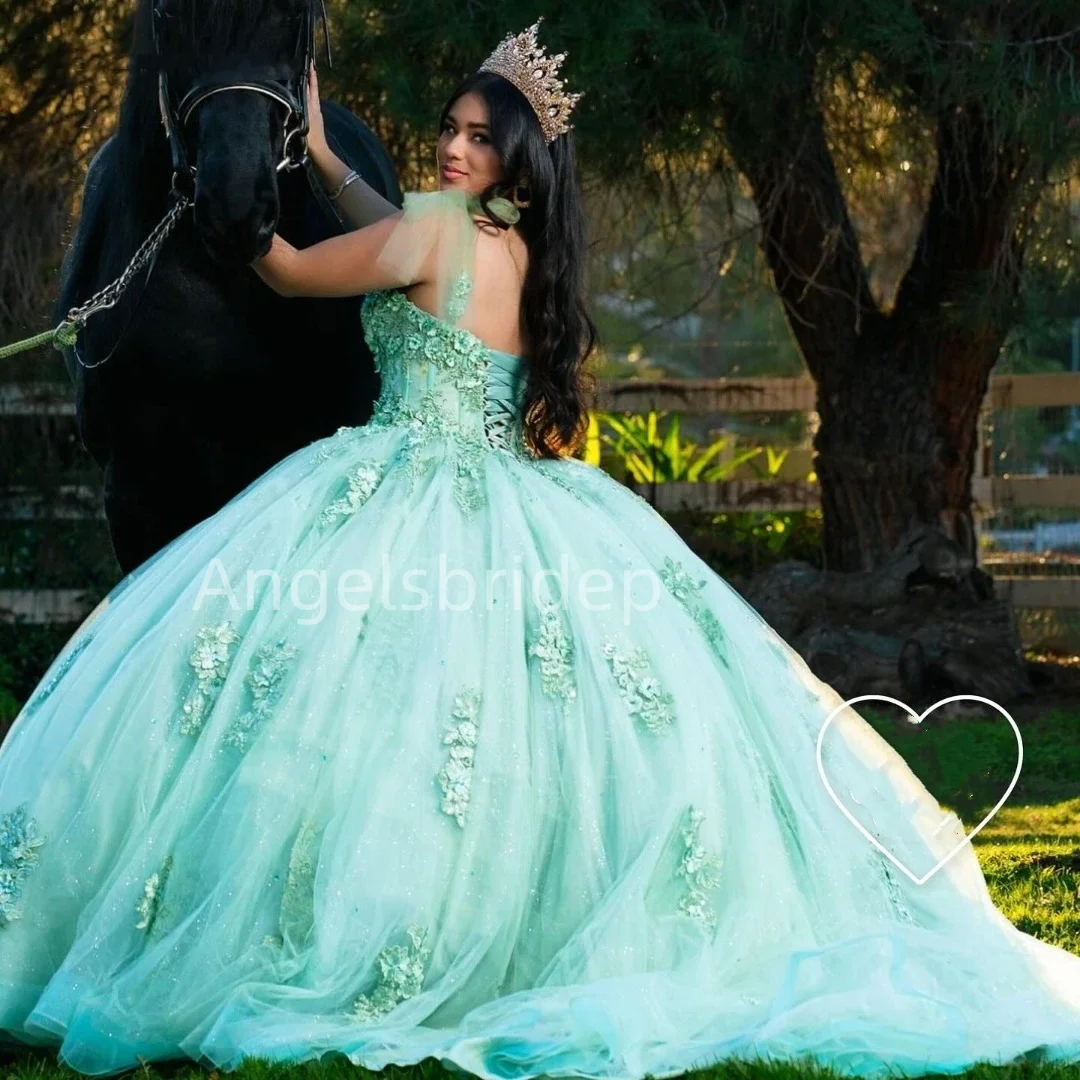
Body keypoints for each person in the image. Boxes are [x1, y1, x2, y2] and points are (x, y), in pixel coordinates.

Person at [1, 19, 1080, 1080]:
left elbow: (293, 270)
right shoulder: (521, 253)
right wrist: (326, 154)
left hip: (399, 493)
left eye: (476, 137)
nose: (452, 149)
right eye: (452, 129)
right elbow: (402, 235)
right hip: (522, 505)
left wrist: (231, 220)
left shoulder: (429, 232)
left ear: (511, 157)